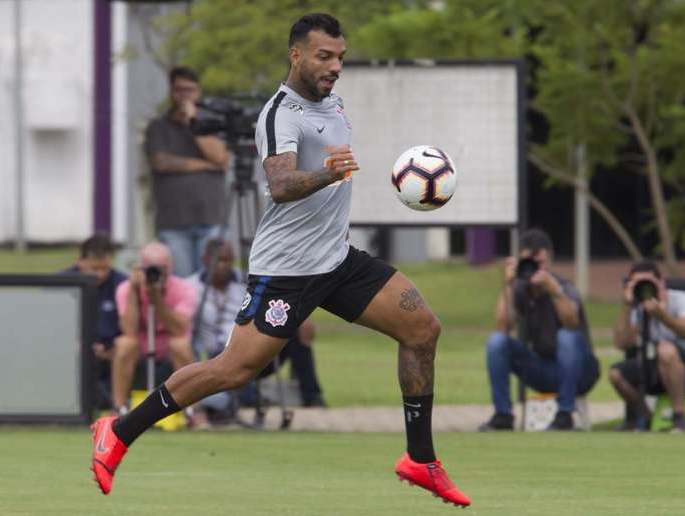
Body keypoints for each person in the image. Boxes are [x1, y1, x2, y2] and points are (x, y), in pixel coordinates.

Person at [91, 13, 470, 507]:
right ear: (296, 55)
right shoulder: (279, 114)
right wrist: (327, 174)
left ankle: (420, 459)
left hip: (336, 260)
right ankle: (118, 430)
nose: (335, 66)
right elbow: (281, 185)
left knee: (422, 329)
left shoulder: (332, 102)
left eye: (340, 57)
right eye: (324, 56)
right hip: (287, 269)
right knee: (232, 370)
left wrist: (335, 177)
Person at [479, 229, 599, 432]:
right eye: (530, 263)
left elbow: (571, 323)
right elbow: (502, 326)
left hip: (580, 370)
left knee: (566, 336)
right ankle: (503, 415)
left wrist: (554, 292)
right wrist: (507, 284)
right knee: (496, 342)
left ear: (550, 260)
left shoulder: (564, 287)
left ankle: (564, 415)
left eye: (540, 263)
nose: (535, 270)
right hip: (543, 368)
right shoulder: (520, 289)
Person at [188, 238, 325, 415]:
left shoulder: (249, 281)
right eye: (217, 260)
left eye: (227, 260)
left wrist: (301, 318)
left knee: (298, 330)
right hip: (217, 356)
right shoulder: (191, 287)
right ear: (205, 259)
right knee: (236, 387)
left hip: (252, 347)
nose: (222, 265)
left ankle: (313, 397)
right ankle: (245, 397)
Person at [143, 66, 231, 277]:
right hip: (174, 222)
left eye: (189, 90)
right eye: (179, 90)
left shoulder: (212, 124)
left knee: (210, 283)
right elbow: (161, 162)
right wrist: (204, 165)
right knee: (182, 285)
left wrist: (195, 123)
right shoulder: (158, 126)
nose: (184, 95)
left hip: (211, 218)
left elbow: (220, 158)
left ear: (198, 92)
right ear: (171, 92)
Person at [110, 241, 197, 415]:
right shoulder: (126, 288)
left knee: (180, 344)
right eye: (151, 268)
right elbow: (128, 329)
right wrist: (135, 292)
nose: (157, 273)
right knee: (124, 344)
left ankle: (193, 410)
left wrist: (156, 298)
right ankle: (118, 408)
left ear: (170, 267)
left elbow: (179, 329)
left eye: (162, 268)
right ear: (140, 267)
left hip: (169, 347)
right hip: (140, 347)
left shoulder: (185, 289)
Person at [609, 260, 685, 432]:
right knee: (616, 374)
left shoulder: (682, 299)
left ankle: (679, 418)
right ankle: (646, 418)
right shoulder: (637, 306)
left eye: (648, 282)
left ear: (661, 282)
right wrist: (627, 306)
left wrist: (662, 315)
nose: (644, 288)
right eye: (638, 284)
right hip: (652, 367)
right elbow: (621, 343)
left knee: (665, 350)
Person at [60, 232, 127, 410]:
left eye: (105, 268)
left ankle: (117, 406)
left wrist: (112, 349)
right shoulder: (60, 284)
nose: (100, 274)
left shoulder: (122, 284)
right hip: (71, 356)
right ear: (80, 261)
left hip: (110, 358)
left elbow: (129, 328)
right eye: (94, 268)